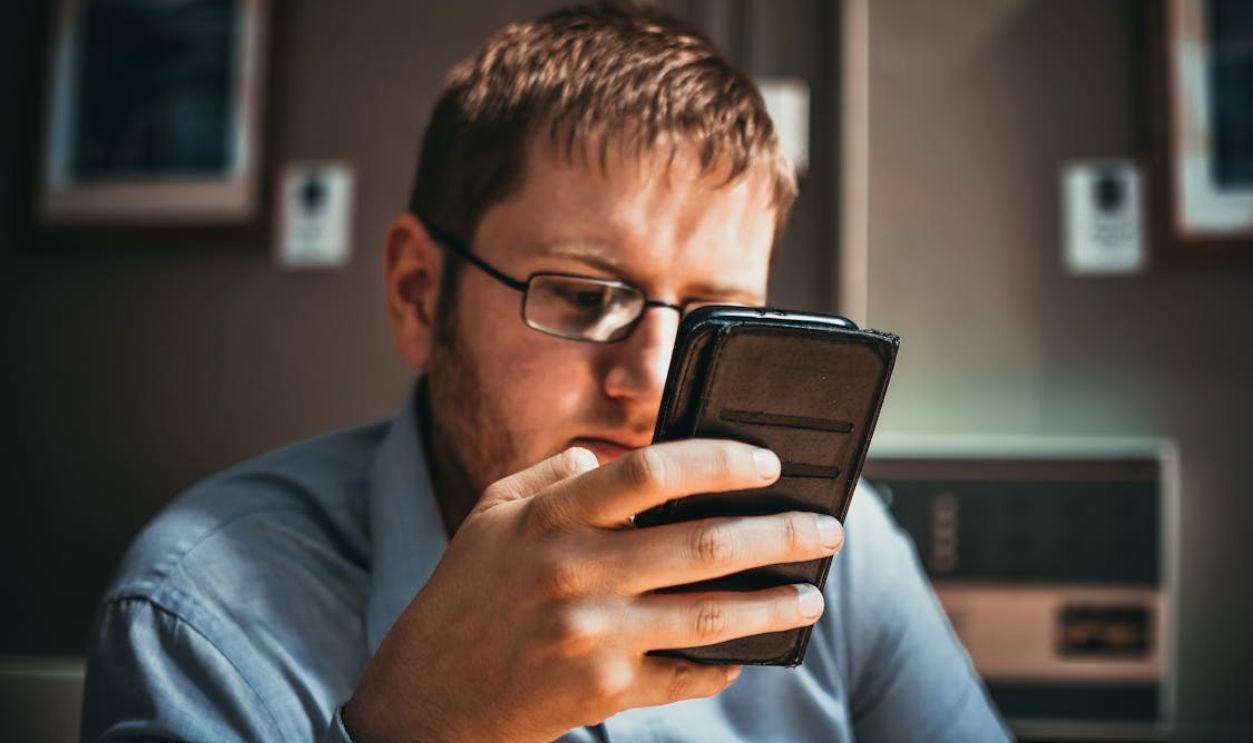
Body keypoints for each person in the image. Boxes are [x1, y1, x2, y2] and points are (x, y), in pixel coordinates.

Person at [81, 4, 1010, 742]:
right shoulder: (198, 614)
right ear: (417, 294)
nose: (648, 377)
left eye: (711, 320)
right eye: (581, 295)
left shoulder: (828, 560)